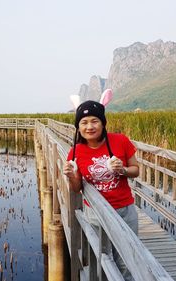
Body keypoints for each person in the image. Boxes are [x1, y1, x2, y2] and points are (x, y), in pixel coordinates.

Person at [62, 100, 139, 281]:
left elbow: (135, 170)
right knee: (102, 258)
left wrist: (123, 169)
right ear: (78, 127)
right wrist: (72, 176)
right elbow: (77, 188)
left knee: (128, 258)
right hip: (95, 213)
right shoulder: (75, 152)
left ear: (103, 123)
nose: (90, 126)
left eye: (94, 121)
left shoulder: (120, 141)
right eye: (84, 122)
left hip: (124, 211)